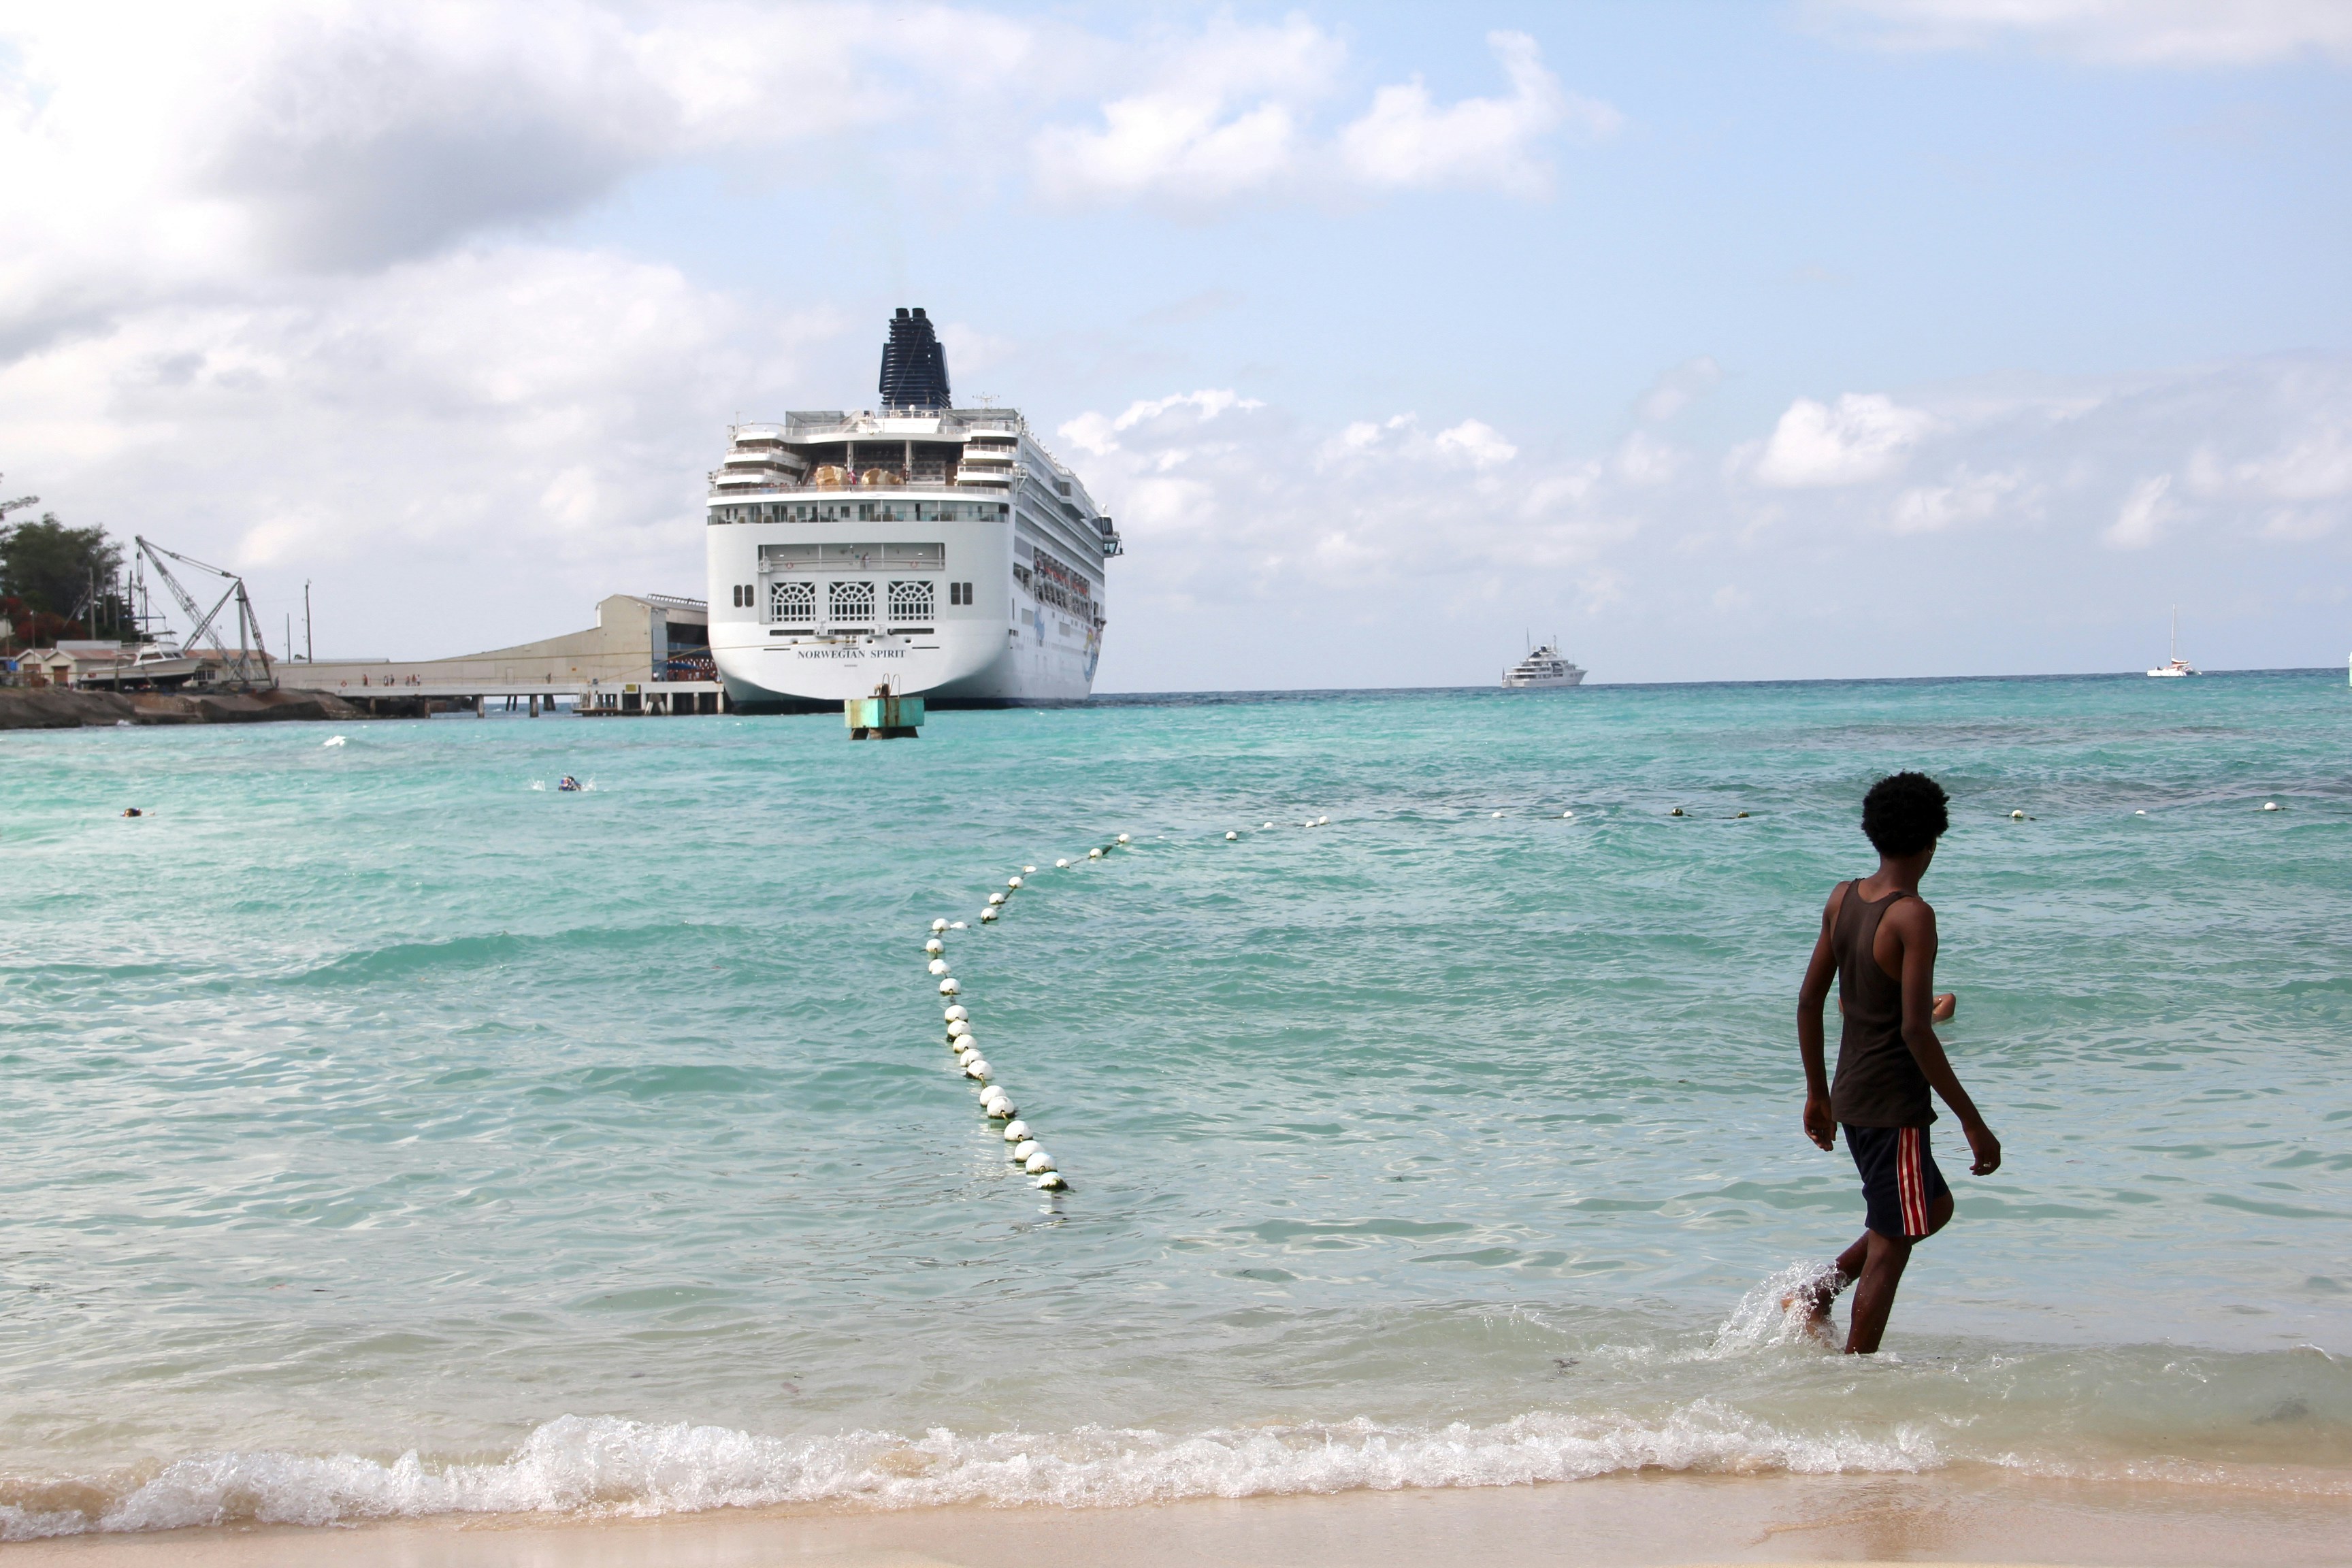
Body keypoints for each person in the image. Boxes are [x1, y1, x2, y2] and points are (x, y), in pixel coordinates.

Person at [1793, 770, 2000, 1353]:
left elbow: (1810, 1001)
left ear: (1872, 834)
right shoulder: (1913, 915)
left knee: (1930, 1207)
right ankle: (1854, 1374)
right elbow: (1916, 1029)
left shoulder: (1843, 897)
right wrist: (1972, 1119)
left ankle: (1818, 1291)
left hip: (1853, 1094)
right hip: (1892, 1103)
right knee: (1895, 1242)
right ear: (1935, 839)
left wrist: (1818, 1093)